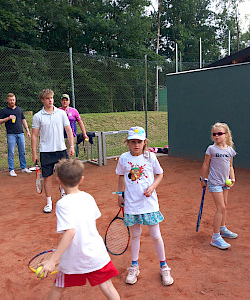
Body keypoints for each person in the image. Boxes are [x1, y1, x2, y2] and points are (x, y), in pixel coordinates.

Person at [37, 159, 120, 300]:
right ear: (81, 179)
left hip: (74, 258)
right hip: (96, 254)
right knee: (107, 286)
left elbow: (70, 232)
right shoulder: (89, 197)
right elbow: (89, 223)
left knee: (58, 287)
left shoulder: (62, 204)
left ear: (58, 180)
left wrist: (53, 260)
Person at [115, 126, 174, 286]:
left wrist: (153, 186)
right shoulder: (123, 158)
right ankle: (134, 266)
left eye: (139, 142)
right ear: (128, 142)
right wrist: (120, 194)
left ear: (144, 142)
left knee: (156, 235)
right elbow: (121, 176)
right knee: (135, 235)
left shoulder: (150, 157)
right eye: (133, 141)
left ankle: (164, 266)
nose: (136, 145)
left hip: (149, 204)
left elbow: (160, 174)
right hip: (132, 204)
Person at [31, 89, 75, 213]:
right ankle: (49, 203)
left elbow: (68, 130)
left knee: (64, 176)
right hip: (46, 152)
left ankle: (64, 196)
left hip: (61, 150)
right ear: (42, 100)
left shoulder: (61, 114)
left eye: (51, 98)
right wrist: (34, 153)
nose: (50, 100)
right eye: (47, 98)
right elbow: (34, 135)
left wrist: (71, 146)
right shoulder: (37, 116)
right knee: (47, 178)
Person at [200, 122, 237, 250]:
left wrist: (232, 178)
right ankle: (215, 237)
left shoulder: (230, 150)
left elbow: (230, 166)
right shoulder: (211, 149)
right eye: (214, 134)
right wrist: (202, 178)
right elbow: (205, 164)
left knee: (224, 207)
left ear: (226, 135)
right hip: (214, 182)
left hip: (224, 182)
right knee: (220, 207)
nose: (216, 136)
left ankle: (222, 228)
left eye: (219, 134)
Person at [0, 93, 32, 176]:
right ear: (7, 100)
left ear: (15, 100)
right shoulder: (4, 111)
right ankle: (11, 169)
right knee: (11, 152)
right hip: (11, 134)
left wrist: (27, 130)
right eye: (10, 100)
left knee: (22, 151)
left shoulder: (19, 110)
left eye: (13, 99)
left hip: (20, 133)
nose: (12, 101)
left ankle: (23, 167)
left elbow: (23, 120)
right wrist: (8, 118)